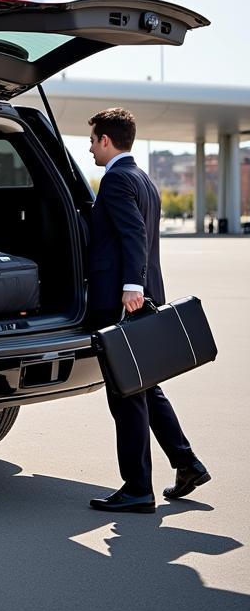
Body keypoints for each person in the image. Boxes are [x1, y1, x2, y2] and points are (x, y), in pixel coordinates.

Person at [85, 108, 210, 514]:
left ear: (106, 140)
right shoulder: (142, 177)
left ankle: (137, 487)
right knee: (144, 385)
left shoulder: (117, 178)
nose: (89, 148)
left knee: (126, 394)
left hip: (123, 299)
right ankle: (186, 463)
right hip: (140, 294)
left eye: (92, 141)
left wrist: (131, 288)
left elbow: (133, 233)